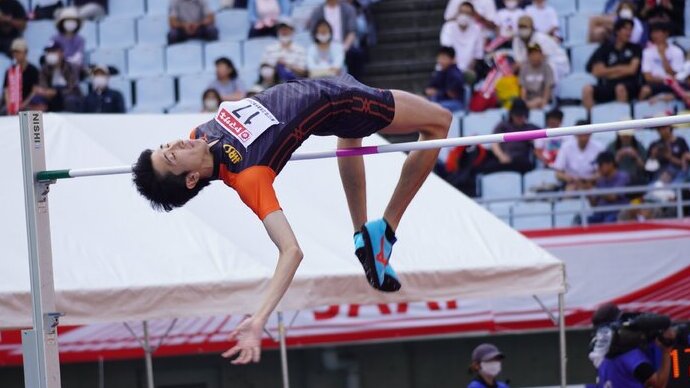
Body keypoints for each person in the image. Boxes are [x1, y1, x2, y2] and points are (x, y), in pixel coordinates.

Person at [131, 74, 451, 364]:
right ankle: (386, 229)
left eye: (165, 145)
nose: (174, 143)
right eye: (172, 155)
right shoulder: (248, 177)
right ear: (190, 179)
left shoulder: (199, 133)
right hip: (345, 100)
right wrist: (259, 318)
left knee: (352, 133)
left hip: (324, 97)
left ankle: (362, 235)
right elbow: (291, 251)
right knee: (439, 122)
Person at [582, 18, 641, 110]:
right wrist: (621, 69)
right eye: (625, 29)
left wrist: (608, 72)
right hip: (608, 85)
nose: (629, 32)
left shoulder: (636, 49)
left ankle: (623, 120)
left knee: (620, 88)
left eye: (630, 29)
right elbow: (597, 72)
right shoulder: (605, 48)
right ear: (617, 31)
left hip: (629, 86)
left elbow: (632, 70)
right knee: (587, 89)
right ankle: (589, 121)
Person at [307, 0, 364, 79]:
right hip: (323, 45)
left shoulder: (348, 9)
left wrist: (344, 48)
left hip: (344, 45)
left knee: (356, 54)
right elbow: (313, 31)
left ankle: (356, 84)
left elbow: (352, 31)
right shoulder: (317, 11)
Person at [480, 98, 537, 174]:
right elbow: (494, 143)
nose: (519, 118)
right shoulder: (503, 125)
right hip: (503, 160)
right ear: (512, 114)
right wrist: (501, 156)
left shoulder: (531, 128)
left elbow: (541, 143)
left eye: (522, 115)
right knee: (485, 168)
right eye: (517, 115)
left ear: (526, 115)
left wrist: (534, 142)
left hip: (521, 162)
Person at [512, 15, 569, 81]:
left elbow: (543, 57)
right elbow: (518, 60)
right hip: (533, 64)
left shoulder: (540, 38)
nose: (523, 30)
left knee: (541, 70)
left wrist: (526, 64)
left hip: (555, 63)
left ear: (532, 28)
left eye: (525, 27)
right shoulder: (517, 40)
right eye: (521, 27)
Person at [552, 120, 604, 191]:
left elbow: (603, 172)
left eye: (586, 134)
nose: (583, 138)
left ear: (590, 133)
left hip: (592, 183)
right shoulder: (566, 147)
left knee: (594, 192)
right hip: (572, 183)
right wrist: (569, 178)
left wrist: (589, 180)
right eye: (580, 134)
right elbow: (558, 173)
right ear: (575, 134)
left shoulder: (599, 147)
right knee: (570, 190)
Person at [638, 22, 684, 101]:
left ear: (666, 34)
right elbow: (647, 77)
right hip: (655, 83)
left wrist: (663, 56)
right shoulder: (647, 52)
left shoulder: (677, 51)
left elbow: (675, 75)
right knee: (644, 91)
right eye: (653, 33)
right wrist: (664, 80)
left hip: (674, 84)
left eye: (657, 32)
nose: (654, 35)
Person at [34, 40, 83, 112]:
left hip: (67, 95)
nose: (50, 54)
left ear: (62, 53)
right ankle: (32, 123)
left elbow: (72, 87)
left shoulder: (70, 67)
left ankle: (74, 122)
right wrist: (44, 91)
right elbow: (42, 84)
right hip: (50, 96)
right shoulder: (44, 69)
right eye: (48, 52)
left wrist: (57, 92)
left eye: (53, 51)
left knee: (70, 100)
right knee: (36, 100)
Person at [439, 1, 484, 76]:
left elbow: (477, 55)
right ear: (457, 13)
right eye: (462, 12)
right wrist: (456, 71)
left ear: (472, 16)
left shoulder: (477, 30)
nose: (464, 16)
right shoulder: (448, 27)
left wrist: (467, 71)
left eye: (467, 13)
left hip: (467, 71)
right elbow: (447, 51)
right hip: (449, 69)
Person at [588, 151, 630, 224]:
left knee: (608, 221)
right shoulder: (600, 179)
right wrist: (587, 190)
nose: (598, 168)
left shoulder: (622, 177)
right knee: (581, 220)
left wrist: (594, 187)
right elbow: (594, 204)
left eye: (600, 165)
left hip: (616, 214)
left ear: (610, 164)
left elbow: (612, 197)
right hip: (600, 214)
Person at [2, 38, 40, 115]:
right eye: (14, 52)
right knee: (3, 112)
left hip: (29, 104)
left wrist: (23, 105)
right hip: (12, 104)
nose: (15, 54)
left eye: (18, 52)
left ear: (25, 52)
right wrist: (10, 106)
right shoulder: (10, 70)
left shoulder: (33, 70)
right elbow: (6, 90)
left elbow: (34, 91)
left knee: (33, 113)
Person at [425, 46, 464, 112]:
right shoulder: (440, 72)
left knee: (433, 106)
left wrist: (437, 92)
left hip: (455, 102)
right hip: (439, 100)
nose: (440, 61)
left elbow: (451, 94)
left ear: (452, 59)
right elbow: (429, 89)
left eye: (444, 58)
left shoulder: (455, 74)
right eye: (439, 58)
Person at [519, 43, 554, 110]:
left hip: (543, 100)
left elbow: (548, 88)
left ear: (541, 54)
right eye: (531, 54)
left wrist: (543, 102)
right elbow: (523, 89)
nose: (534, 56)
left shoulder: (547, 68)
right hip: (529, 102)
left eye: (536, 53)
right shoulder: (524, 69)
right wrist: (524, 103)